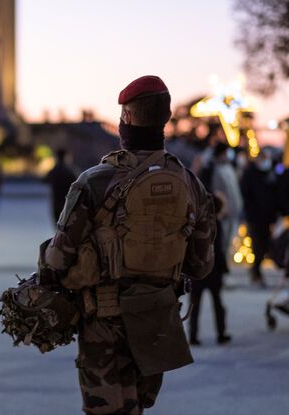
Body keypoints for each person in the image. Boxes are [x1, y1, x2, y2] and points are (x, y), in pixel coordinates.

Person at [37, 76, 216, 414]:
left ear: (127, 119)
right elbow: (201, 265)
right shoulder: (190, 183)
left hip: (104, 321)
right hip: (158, 317)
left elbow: (59, 257)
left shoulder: (94, 180)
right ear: (163, 119)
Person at [188, 193, 231, 346]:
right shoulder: (215, 224)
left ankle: (193, 336)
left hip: (196, 270)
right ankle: (221, 333)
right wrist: (224, 268)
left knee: (194, 305)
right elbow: (218, 249)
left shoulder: (194, 222)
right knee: (218, 303)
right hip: (213, 270)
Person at [240, 148, 278, 287]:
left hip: (268, 217)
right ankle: (256, 273)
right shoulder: (250, 173)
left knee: (265, 245)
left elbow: (276, 194)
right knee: (257, 246)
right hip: (255, 217)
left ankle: (257, 272)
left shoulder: (271, 172)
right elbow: (245, 193)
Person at [199, 142, 243, 255]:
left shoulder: (228, 167)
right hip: (222, 212)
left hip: (232, 211)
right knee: (220, 241)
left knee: (228, 240)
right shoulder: (213, 169)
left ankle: (223, 263)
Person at [43, 148, 77, 227]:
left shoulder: (54, 170)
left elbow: (44, 180)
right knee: (66, 228)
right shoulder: (70, 171)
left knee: (58, 227)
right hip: (67, 203)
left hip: (56, 203)